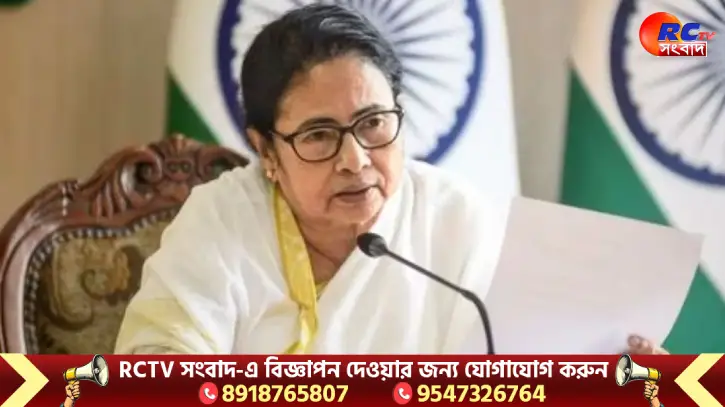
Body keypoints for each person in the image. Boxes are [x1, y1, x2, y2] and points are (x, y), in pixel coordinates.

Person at [114, 4, 666, 355]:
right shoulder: (221, 220)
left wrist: (616, 374)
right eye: (319, 135)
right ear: (266, 152)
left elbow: (517, 367)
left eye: (373, 123)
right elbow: (157, 368)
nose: (355, 159)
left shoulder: (453, 218)